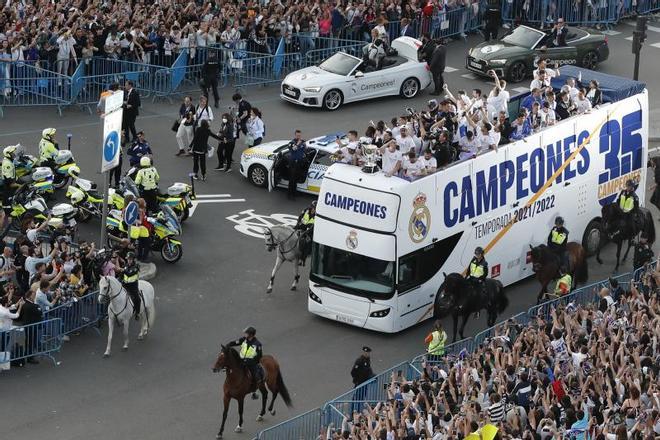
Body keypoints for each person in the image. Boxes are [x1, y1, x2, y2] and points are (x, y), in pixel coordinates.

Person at [227, 326, 263, 399]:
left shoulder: (257, 344)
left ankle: (254, 392)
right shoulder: (244, 340)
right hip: (241, 360)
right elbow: (236, 342)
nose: (245, 334)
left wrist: (248, 361)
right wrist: (229, 344)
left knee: (255, 375)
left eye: (246, 333)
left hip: (251, 364)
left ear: (251, 335)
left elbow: (259, 356)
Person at [121, 251, 141, 321]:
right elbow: (122, 275)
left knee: (137, 299)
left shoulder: (136, 266)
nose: (129, 260)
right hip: (125, 285)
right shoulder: (125, 265)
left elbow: (130, 273)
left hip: (133, 286)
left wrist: (123, 270)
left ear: (133, 259)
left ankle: (137, 313)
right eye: (128, 259)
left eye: (130, 259)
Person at [287, 130, 306, 200]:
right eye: (297, 135)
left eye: (300, 135)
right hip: (293, 163)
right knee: (292, 179)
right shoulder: (291, 143)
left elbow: (304, 149)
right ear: (295, 135)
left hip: (300, 163)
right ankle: (290, 194)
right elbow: (293, 149)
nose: (299, 137)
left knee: (296, 179)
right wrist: (298, 144)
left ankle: (294, 192)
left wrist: (304, 145)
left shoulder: (302, 142)